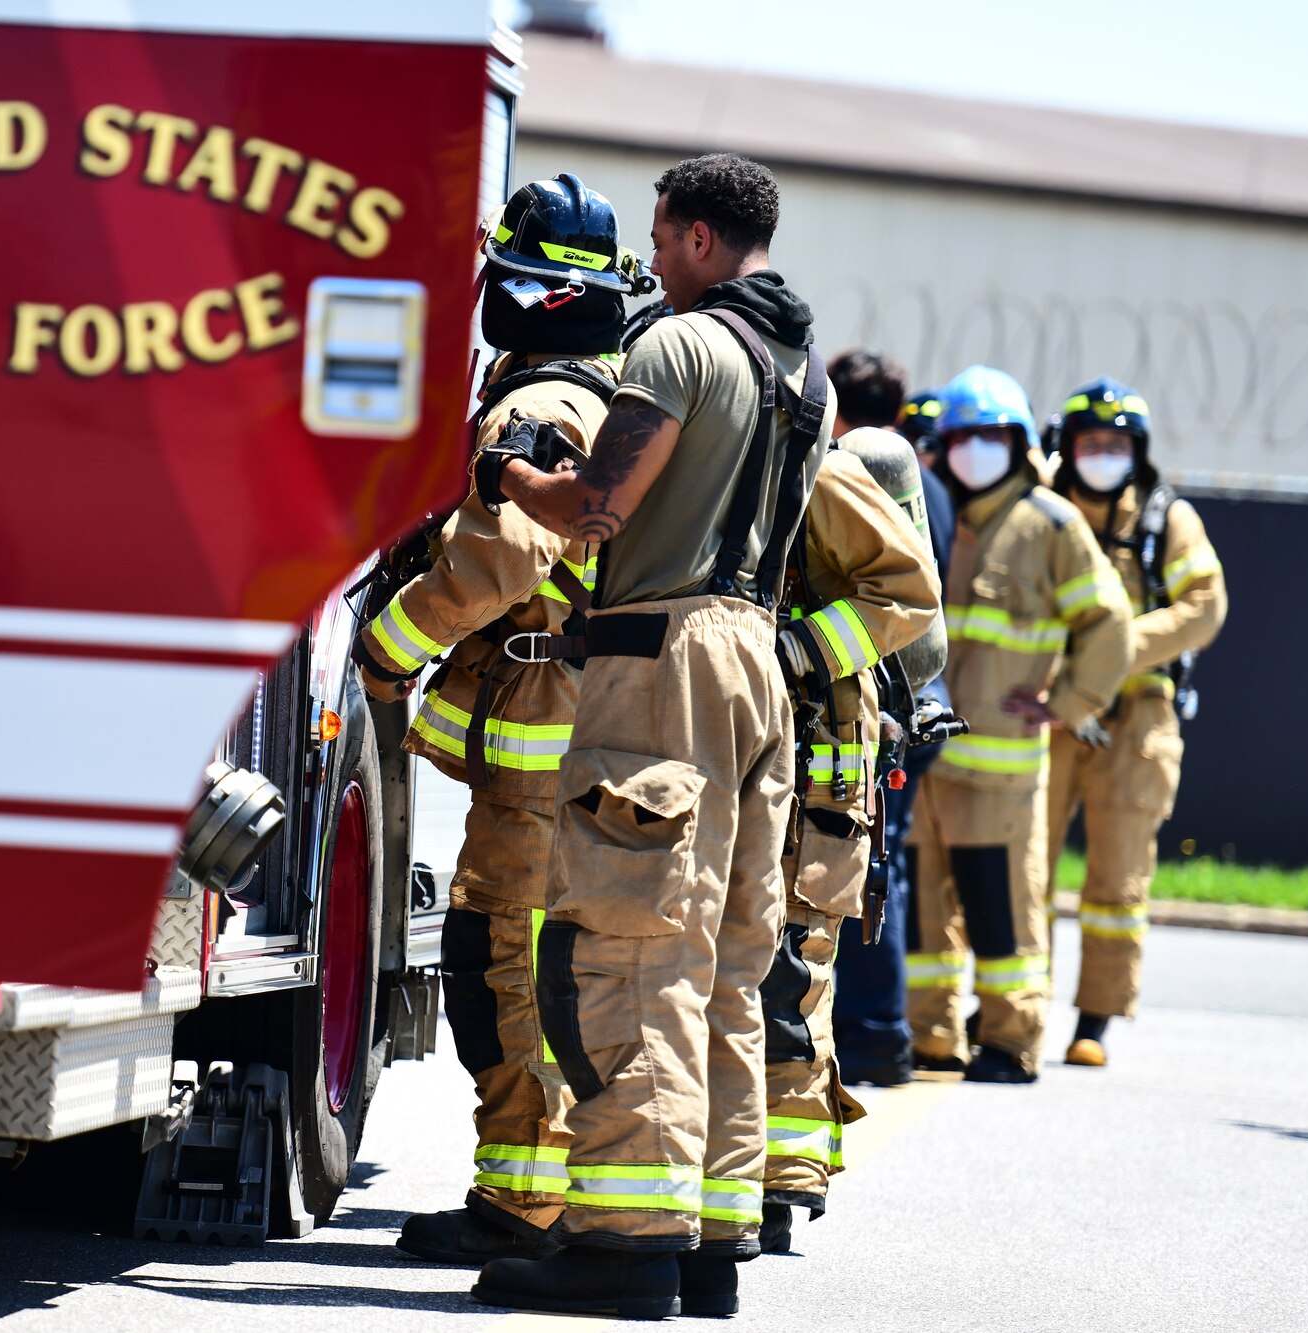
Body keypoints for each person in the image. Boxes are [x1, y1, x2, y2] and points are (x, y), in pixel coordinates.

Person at [465, 151, 838, 1321]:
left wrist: (506, 473)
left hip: (657, 661)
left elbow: (593, 514)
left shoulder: (676, 347)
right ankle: (713, 1231)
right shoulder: (803, 373)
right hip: (756, 666)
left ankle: (623, 1242)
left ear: (685, 235)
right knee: (728, 958)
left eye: (660, 241)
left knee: (628, 946)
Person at [352, 173, 643, 1264]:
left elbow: (509, 552)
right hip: (555, 733)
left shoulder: (544, 404)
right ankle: (524, 1191)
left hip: (540, 742)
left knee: (504, 965)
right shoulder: (592, 388)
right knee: (511, 958)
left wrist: (388, 648)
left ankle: (524, 1205)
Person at [906, 365, 1132, 1084]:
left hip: (1001, 771)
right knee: (922, 916)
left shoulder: (1049, 524)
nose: (976, 448)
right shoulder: (931, 514)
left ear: (1019, 440)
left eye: (990, 435)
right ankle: (932, 1034)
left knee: (1003, 913)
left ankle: (1011, 1037)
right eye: (961, 436)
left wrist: (1068, 704)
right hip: (928, 764)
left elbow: (1109, 623)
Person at [758, 423, 940, 1255]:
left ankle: (785, 1174)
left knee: (792, 959)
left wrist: (796, 651)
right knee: (777, 959)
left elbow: (907, 605)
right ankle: (775, 1172)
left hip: (819, 758)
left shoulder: (821, 476)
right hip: (792, 755)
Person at [1042, 379, 1227, 1067]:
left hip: (1134, 718)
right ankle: (1015, 1013)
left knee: (1117, 880)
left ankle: (1094, 1020)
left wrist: (1112, 651)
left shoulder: (1164, 518)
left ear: (1137, 452)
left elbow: (1205, 607)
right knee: (1024, 868)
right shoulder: (1044, 511)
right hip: (1054, 714)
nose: (1101, 454)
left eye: (1116, 444)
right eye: (1090, 442)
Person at [827, 365, 958, 1088]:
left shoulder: (852, 471)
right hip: (917, 691)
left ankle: (873, 1028)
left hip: (875, 694)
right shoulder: (928, 487)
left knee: (858, 863)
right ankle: (880, 1033)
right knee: (883, 861)